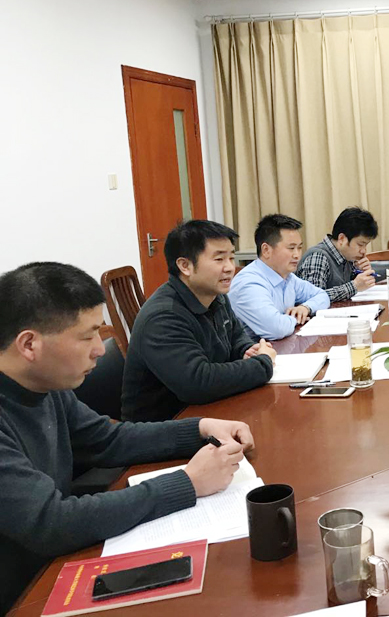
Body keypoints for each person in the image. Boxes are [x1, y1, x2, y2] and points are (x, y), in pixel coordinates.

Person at [0, 262, 253, 614]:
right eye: (87, 336)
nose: (101, 349)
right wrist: (188, 483)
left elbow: (107, 439)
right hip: (23, 590)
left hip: (52, 563)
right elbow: (51, 522)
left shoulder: (44, 384)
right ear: (29, 344)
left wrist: (199, 428)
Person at [122, 220, 276, 422]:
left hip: (209, 412)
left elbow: (236, 337)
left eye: (231, 257)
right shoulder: (163, 317)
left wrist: (248, 350)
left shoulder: (215, 295)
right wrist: (262, 363)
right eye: (219, 259)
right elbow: (198, 383)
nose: (230, 268)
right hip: (165, 426)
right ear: (185, 266)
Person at [228, 213, 329, 340]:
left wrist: (305, 308)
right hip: (255, 350)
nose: (297, 255)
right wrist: (297, 318)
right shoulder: (249, 283)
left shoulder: (288, 277)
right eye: (291, 248)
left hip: (280, 346)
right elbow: (276, 329)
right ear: (266, 250)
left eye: (299, 248)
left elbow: (322, 296)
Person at [296, 207, 379, 302]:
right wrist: (354, 286)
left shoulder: (346, 257)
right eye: (360, 244)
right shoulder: (318, 257)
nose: (363, 251)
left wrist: (360, 273)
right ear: (342, 239)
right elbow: (312, 299)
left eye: (366, 245)